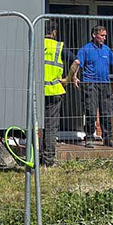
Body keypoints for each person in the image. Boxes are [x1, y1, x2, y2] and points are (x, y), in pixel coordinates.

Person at [75, 25, 113, 148]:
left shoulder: (106, 49)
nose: (104, 38)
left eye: (105, 35)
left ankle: (108, 138)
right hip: (90, 83)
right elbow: (77, 62)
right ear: (94, 35)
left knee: (106, 112)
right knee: (91, 111)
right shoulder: (86, 49)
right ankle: (89, 138)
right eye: (102, 35)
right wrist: (74, 76)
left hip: (105, 84)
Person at [42, 20, 78, 166]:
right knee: (51, 127)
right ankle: (49, 160)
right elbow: (76, 62)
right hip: (54, 90)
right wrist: (68, 79)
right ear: (54, 32)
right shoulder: (58, 46)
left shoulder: (36, 44)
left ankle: (36, 158)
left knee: (36, 126)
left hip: (36, 91)